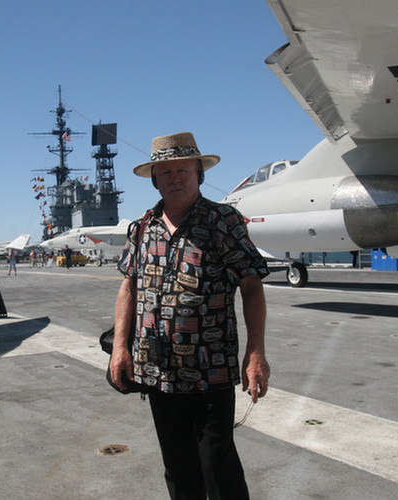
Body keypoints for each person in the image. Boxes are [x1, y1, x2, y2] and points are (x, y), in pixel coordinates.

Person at [109, 132, 270, 500]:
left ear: (199, 174)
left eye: (183, 169)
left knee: (218, 467)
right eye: (165, 172)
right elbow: (128, 288)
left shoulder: (223, 222)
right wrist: (121, 348)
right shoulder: (142, 228)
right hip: (157, 374)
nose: (175, 178)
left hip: (209, 372)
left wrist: (256, 352)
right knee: (178, 470)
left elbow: (251, 285)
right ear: (155, 180)